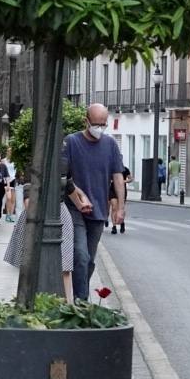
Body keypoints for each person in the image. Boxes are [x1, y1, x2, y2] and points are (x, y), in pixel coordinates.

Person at [63, 103, 124, 300]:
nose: (99, 128)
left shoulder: (110, 145)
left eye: (103, 124)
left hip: (99, 211)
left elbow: (117, 177)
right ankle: (81, 302)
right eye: (96, 124)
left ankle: (79, 297)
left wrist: (120, 208)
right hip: (74, 208)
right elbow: (64, 176)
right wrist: (79, 196)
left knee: (89, 261)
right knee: (80, 256)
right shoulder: (71, 142)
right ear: (86, 121)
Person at [110, 166, 132, 234]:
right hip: (112, 190)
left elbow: (130, 179)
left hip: (122, 190)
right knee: (114, 207)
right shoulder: (111, 168)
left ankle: (122, 222)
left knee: (121, 207)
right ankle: (114, 227)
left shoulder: (125, 169)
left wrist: (123, 181)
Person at [4, 156, 18, 222]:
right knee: (8, 198)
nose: (10, 153)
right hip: (7, 180)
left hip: (14, 180)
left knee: (13, 200)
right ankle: (7, 214)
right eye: (8, 151)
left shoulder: (16, 161)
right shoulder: (4, 160)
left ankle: (11, 215)